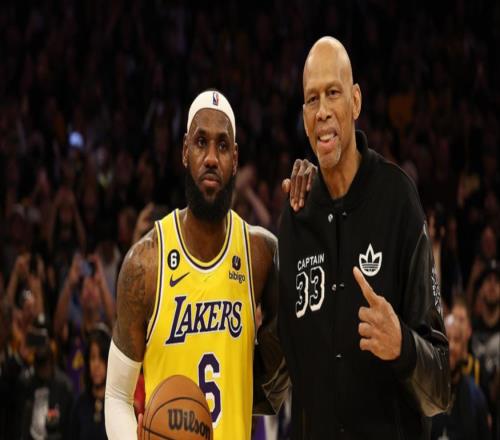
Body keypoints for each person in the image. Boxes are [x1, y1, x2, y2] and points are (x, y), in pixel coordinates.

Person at [278, 36, 451, 439]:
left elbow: (441, 386)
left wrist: (402, 346)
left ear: (355, 101)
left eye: (333, 93)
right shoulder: (296, 215)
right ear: (303, 116)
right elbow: (283, 373)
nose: (322, 110)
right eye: (312, 99)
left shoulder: (398, 200)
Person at [105, 90, 303, 440]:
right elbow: (117, 395)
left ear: (235, 158)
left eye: (222, 145)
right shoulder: (145, 264)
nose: (211, 157)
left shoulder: (260, 255)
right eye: (201, 142)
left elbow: (281, 374)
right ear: (185, 151)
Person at [431, 315, 490, 440]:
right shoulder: (425, 391)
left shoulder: (476, 396)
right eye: (446, 338)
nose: (451, 346)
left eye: (457, 340)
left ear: (464, 348)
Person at [71, 326, 111, 440]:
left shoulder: (117, 405)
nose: (96, 365)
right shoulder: (80, 404)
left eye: (101, 358)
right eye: (93, 358)